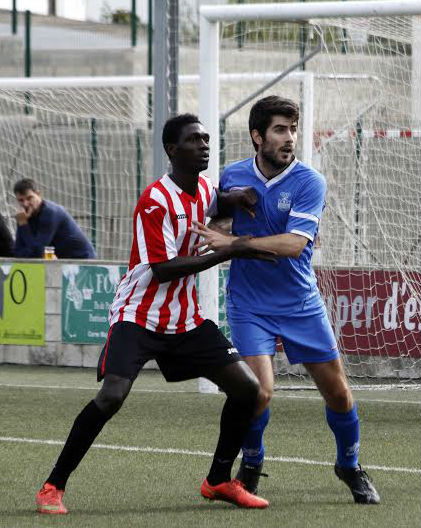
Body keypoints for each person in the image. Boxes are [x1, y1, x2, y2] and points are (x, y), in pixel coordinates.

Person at [35, 113, 274, 515]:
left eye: (206, 139)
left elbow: (218, 198)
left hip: (185, 318)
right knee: (112, 396)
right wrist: (229, 249)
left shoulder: (203, 190)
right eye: (195, 140)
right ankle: (52, 486)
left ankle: (217, 480)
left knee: (249, 389)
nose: (204, 146)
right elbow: (162, 269)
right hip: (139, 314)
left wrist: (238, 197)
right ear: (171, 150)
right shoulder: (154, 201)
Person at [191, 96, 380, 505]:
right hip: (249, 304)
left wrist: (234, 242)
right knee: (257, 392)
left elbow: (294, 245)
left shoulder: (310, 181)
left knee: (339, 394)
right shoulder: (232, 176)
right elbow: (218, 225)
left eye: (292, 129)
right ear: (257, 137)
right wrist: (213, 231)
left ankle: (349, 465)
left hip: (300, 303)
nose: (289, 138)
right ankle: (253, 464)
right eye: (280, 130)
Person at [13, 178, 96, 259]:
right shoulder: (23, 216)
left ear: (38, 194)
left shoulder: (50, 212)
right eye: (21, 200)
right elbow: (18, 250)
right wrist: (22, 224)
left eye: (29, 198)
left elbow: (36, 253)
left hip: (83, 260)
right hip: (62, 262)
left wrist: (23, 225)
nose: (26, 204)